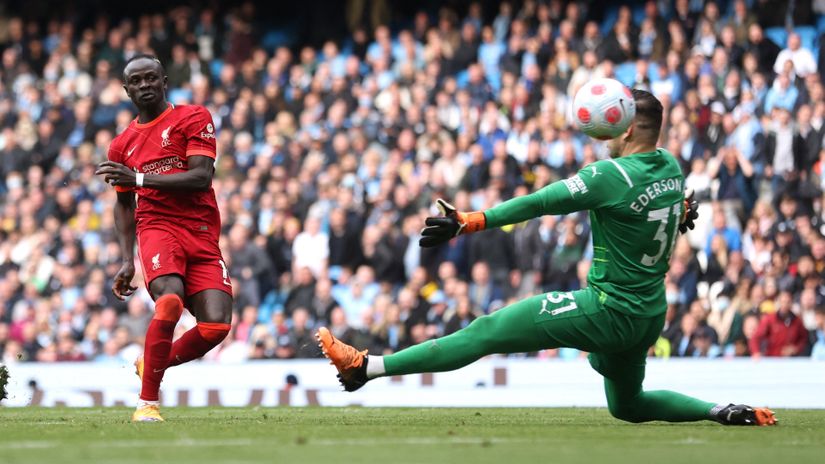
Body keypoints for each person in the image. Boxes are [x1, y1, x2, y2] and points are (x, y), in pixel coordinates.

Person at [316, 89, 776, 426]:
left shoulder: (609, 175)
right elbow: (671, 207)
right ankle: (722, 411)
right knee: (628, 406)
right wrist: (682, 213)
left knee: (485, 331)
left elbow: (540, 202)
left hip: (609, 308)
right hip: (649, 314)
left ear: (626, 127)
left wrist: (471, 221)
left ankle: (365, 368)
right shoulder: (671, 167)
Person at [95, 55, 232, 422]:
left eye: (151, 78)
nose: (145, 85)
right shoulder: (121, 146)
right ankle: (147, 404)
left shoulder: (194, 117)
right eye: (137, 81)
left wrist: (138, 178)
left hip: (201, 232)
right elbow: (124, 205)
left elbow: (200, 177)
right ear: (126, 90)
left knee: (217, 326)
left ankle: (151, 363)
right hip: (157, 228)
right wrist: (127, 260)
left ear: (164, 81)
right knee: (169, 301)